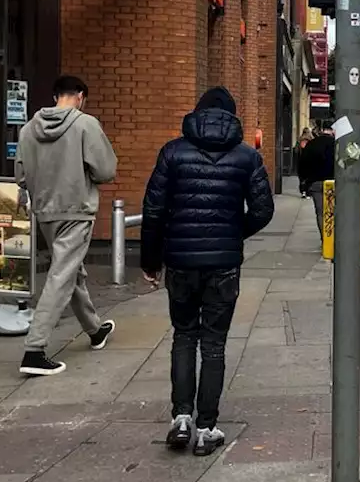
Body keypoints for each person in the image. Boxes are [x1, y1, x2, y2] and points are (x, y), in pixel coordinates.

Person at [141, 86, 274, 456]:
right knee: (213, 344)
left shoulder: (172, 153)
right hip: (223, 265)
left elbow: (152, 211)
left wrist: (151, 261)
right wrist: (231, 234)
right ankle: (207, 427)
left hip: (181, 261)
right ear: (232, 118)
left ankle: (180, 418)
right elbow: (263, 211)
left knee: (184, 336)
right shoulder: (247, 156)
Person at [15, 75, 118, 376]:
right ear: (81, 96)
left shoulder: (27, 130)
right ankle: (34, 349)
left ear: (55, 95)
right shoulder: (86, 125)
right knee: (61, 275)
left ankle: (95, 330)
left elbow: (21, 177)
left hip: (46, 211)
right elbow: (106, 170)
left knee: (71, 272)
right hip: (76, 210)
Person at [298, 125, 336, 240]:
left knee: (320, 212)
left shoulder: (312, 144)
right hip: (332, 182)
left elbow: (302, 163)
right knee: (332, 211)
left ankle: (325, 239)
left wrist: (304, 181)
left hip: (315, 182)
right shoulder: (335, 144)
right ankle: (332, 238)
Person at [295, 128, 314, 196]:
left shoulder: (299, 139)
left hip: (301, 160)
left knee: (301, 177)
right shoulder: (312, 139)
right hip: (309, 161)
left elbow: (296, 150)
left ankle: (303, 191)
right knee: (309, 177)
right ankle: (308, 192)